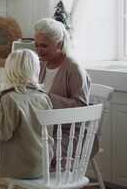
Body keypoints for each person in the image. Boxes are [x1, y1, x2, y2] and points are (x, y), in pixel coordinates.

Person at [0, 49, 53, 179]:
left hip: (22, 167)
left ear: (9, 71)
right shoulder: (44, 97)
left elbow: (1, 134)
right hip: (43, 165)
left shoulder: (10, 98)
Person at [34, 18, 93, 159]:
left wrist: (47, 97)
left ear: (59, 44)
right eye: (36, 45)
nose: (38, 50)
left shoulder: (73, 68)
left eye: (44, 46)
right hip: (45, 130)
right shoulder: (41, 65)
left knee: (30, 150)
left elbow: (81, 107)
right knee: (18, 144)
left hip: (67, 134)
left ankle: (28, 176)